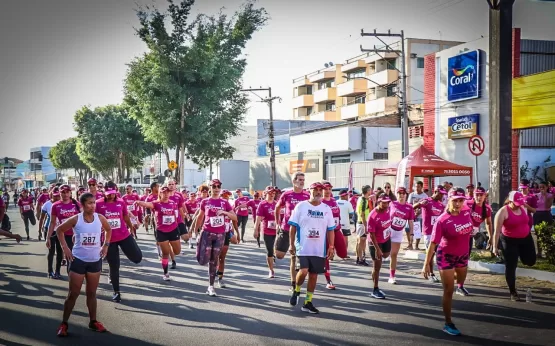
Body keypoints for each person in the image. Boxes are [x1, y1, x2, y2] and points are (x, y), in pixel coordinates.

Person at [55, 192, 112, 337]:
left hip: (94, 261)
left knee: (91, 293)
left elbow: (109, 230)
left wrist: (105, 245)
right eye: (89, 203)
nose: (93, 206)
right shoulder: (76, 219)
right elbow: (59, 230)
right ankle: (64, 324)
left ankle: (93, 322)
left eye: (94, 203)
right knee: (73, 294)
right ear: (82, 205)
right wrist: (65, 248)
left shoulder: (100, 218)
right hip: (78, 260)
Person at [422, 187, 473, 336]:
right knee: (448, 290)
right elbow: (433, 244)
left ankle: (451, 280)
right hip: (446, 256)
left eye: (461, 200)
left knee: (461, 280)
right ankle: (448, 322)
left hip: (463, 255)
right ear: (449, 200)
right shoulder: (442, 220)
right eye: (455, 200)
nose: (458, 203)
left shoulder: (466, 212)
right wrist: (426, 264)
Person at [288, 182, 335, 314]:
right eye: (316, 190)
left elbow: (331, 229)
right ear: (310, 191)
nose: (318, 192)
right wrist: (291, 244)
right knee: (303, 271)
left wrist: (331, 246)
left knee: (313, 276)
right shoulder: (301, 206)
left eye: (321, 190)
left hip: (319, 249)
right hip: (303, 246)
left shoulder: (326, 209)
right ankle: (297, 290)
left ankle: (308, 302)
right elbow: (292, 227)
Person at [96, 181, 142, 302]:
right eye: (108, 193)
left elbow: (125, 216)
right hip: (108, 239)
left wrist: (131, 228)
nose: (110, 196)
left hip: (124, 235)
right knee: (114, 266)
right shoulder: (98, 204)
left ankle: (125, 255)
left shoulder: (121, 202)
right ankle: (116, 292)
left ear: (116, 192)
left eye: (112, 193)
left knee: (137, 258)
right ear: (104, 192)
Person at [191, 179, 237, 296]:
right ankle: (200, 251)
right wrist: (196, 233)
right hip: (206, 233)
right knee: (202, 260)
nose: (216, 189)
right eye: (214, 187)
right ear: (210, 188)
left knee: (214, 260)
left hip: (220, 235)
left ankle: (211, 286)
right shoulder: (205, 202)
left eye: (218, 187)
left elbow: (234, 217)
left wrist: (225, 213)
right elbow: (200, 217)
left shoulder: (224, 203)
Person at [493, 191, 537, 301]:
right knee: (511, 266)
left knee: (530, 261)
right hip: (509, 241)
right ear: (510, 201)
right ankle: (513, 292)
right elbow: (497, 231)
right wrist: (495, 247)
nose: (518, 204)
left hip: (525, 238)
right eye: (516, 203)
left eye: (520, 202)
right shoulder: (502, 212)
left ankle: (520, 255)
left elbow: (532, 213)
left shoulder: (523, 206)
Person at [136, 185, 180, 281]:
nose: (166, 194)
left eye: (167, 192)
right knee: (165, 253)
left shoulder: (173, 203)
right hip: (162, 231)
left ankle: (171, 245)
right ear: (159, 193)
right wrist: (139, 202)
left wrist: (177, 224)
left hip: (173, 230)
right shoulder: (156, 203)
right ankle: (166, 273)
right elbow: (147, 204)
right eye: (163, 192)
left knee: (177, 251)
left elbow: (175, 216)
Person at [274, 172, 310, 292]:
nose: (302, 182)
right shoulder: (287, 194)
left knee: (293, 257)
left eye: (303, 180)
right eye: (299, 179)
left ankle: (294, 284)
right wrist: (277, 223)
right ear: (293, 181)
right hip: (286, 228)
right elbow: (277, 208)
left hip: (301, 231)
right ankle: (276, 246)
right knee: (279, 255)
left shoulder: (307, 195)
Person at [413, 186, 446, 283]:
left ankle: (442, 273)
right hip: (428, 232)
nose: (442, 195)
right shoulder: (427, 200)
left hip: (439, 232)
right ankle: (431, 273)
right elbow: (412, 207)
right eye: (440, 193)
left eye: (443, 193)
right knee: (431, 253)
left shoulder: (441, 205)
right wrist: (419, 204)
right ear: (435, 192)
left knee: (440, 253)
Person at [321, 181, 348, 289]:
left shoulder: (333, 200)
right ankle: (328, 280)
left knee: (343, 254)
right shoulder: (320, 203)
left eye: (329, 189)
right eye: (325, 189)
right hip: (325, 233)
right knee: (326, 256)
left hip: (336, 230)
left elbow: (337, 215)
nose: (327, 191)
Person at [366, 194, 393, 298]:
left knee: (386, 255)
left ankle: (381, 256)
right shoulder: (373, 216)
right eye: (384, 202)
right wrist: (377, 249)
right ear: (379, 202)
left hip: (386, 238)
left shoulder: (388, 209)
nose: (386, 204)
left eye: (387, 202)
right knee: (377, 266)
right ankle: (375, 289)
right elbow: (371, 235)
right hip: (375, 242)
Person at [388, 187, 415, 284]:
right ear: (397, 194)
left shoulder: (410, 207)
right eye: (399, 193)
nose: (402, 195)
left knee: (394, 255)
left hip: (398, 232)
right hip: (389, 230)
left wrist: (412, 234)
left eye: (403, 193)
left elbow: (411, 222)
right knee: (384, 253)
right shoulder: (392, 204)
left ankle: (392, 276)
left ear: (406, 195)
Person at [254, 186, 278, 278]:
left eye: (273, 193)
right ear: (266, 193)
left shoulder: (277, 204)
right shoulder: (262, 204)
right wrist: (256, 230)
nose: (272, 195)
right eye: (270, 193)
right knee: (269, 251)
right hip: (266, 231)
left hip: (276, 230)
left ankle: (273, 257)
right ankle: (271, 270)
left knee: (276, 249)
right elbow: (258, 218)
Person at [216, 189, 239, 288]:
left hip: (226, 233)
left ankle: (220, 278)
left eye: (227, 196)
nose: (226, 197)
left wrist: (237, 233)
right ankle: (214, 273)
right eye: (224, 195)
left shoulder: (229, 208)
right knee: (215, 256)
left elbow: (234, 221)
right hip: (215, 233)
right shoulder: (214, 206)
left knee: (222, 257)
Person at [39, 187, 63, 278]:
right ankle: (50, 271)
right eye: (55, 196)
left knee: (60, 251)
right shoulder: (46, 205)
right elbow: (42, 218)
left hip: (60, 230)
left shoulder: (62, 204)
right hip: (49, 230)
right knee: (51, 251)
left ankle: (58, 271)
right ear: (51, 195)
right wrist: (40, 230)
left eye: (58, 196)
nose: (57, 198)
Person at [167, 179, 191, 251]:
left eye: (172, 184)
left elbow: (182, 206)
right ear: (167, 186)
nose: (171, 186)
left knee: (186, 237)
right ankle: (174, 249)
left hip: (178, 219)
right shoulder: (164, 195)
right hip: (169, 221)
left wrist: (186, 214)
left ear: (175, 185)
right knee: (172, 238)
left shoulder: (179, 195)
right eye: (169, 184)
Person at [534, 181, 553, 258]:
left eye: (543, 187)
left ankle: (548, 252)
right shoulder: (536, 195)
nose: (541, 189)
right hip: (538, 214)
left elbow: (548, 206)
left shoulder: (550, 195)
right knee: (538, 234)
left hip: (546, 214)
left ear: (546, 187)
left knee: (547, 234)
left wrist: (545, 196)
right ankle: (539, 252)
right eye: (540, 187)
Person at [355, 185, 373, 266]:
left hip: (361, 222)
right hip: (362, 223)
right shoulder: (363, 200)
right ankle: (360, 259)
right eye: (370, 190)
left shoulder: (361, 199)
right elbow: (362, 214)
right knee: (361, 241)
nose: (371, 191)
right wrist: (365, 226)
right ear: (367, 191)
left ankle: (359, 258)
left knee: (360, 241)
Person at [407, 181, 428, 250]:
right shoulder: (411, 194)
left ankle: (416, 245)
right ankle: (410, 244)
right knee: (408, 229)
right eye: (416, 186)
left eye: (418, 187)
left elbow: (426, 206)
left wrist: (419, 212)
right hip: (411, 215)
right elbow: (409, 204)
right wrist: (413, 212)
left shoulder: (425, 196)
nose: (417, 188)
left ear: (421, 187)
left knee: (418, 231)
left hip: (420, 215)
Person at [336, 189, 354, 259]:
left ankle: (332, 255)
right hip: (345, 223)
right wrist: (347, 218)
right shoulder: (348, 203)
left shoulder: (335, 202)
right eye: (347, 195)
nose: (348, 197)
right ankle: (345, 254)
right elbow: (351, 214)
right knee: (345, 239)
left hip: (336, 224)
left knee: (334, 239)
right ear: (344, 196)